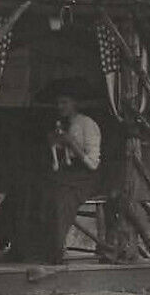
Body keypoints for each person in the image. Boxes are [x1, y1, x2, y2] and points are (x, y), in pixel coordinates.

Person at [36, 90, 103, 265]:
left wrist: (71, 142)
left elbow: (93, 164)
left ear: (75, 104)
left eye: (65, 102)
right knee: (39, 191)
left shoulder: (87, 124)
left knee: (62, 199)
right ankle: (34, 248)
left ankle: (55, 251)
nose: (60, 107)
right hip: (68, 173)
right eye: (58, 103)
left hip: (87, 176)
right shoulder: (64, 124)